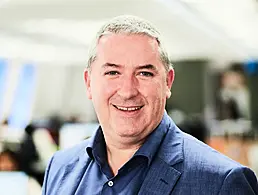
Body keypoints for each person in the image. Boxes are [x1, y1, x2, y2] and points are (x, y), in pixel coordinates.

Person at [42, 15, 258, 195]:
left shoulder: (222, 182)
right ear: (89, 83)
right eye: (112, 72)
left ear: (167, 82)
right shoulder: (59, 167)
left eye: (144, 73)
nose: (127, 91)